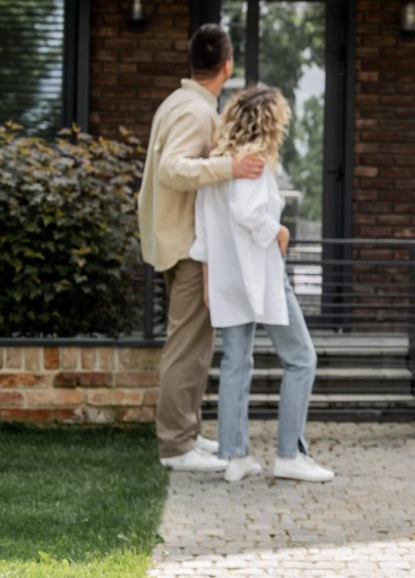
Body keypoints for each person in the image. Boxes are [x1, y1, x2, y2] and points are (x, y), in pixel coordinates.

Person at [190, 85, 334, 484]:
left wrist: (208, 282)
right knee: (302, 358)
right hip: (263, 275)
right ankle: (290, 454)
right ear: (270, 122)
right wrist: (279, 230)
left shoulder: (218, 164)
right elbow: (247, 211)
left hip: (227, 280)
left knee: (237, 363)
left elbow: (203, 231)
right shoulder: (254, 161)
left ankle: (234, 456)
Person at [138, 24, 264, 472]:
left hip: (176, 239)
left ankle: (186, 433)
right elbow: (174, 169)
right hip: (187, 245)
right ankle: (176, 446)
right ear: (227, 66)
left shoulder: (179, 101)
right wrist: (230, 166)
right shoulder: (194, 110)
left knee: (193, 342)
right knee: (188, 345)